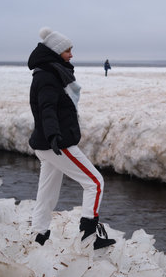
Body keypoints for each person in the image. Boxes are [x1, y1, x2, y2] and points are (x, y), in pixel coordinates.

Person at [27, 27, 116, 249]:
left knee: (46, 191)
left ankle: (39, 235)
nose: (71, 55)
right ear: (57, 52)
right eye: (68, 50)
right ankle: (89, 238)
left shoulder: (49, 73)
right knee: (95, 182)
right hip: (57, 143)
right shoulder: (48, 77)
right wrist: (55, 136)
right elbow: (47, 109)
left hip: (46, 144)